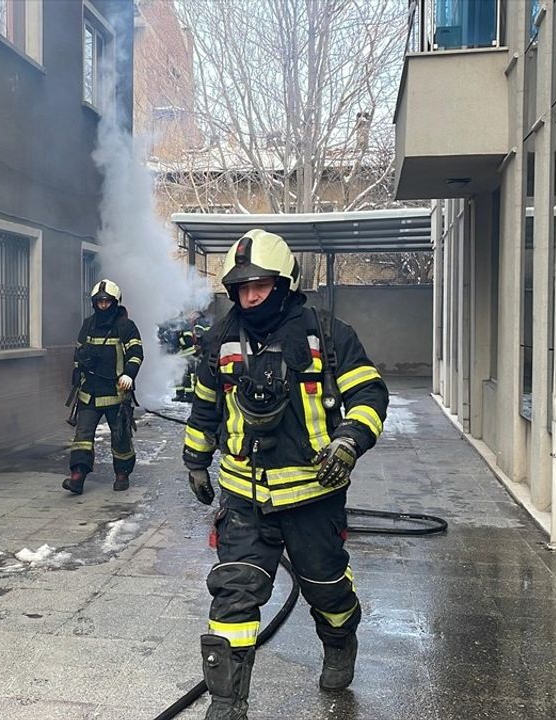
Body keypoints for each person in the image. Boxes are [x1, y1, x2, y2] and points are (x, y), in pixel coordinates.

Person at [181, 229, 389, 718]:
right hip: (244, 496)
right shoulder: (220, 341)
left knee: (326, 588)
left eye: (261, 285)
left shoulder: (329, 335)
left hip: (314, 493)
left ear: (285, 282)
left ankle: (340, 640)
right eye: (241, 287)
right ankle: (227, 703)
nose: (249, 297)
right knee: (233, 592)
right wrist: (195, 459)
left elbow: (370, 394)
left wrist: (348, 441)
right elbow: (205, 408)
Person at [65, 279, 144, 494]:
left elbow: (136, 354)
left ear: (115, 302)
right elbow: (78, 353)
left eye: (107, 302)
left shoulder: (126, 326)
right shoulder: (88, 324)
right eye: (99, 302)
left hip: (116, 393)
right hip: (89, 393)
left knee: (120, 436)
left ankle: (122, 474)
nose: (103, 306)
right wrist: (80, 366)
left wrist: (129, 374)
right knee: (82, 437)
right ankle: (77, 476)